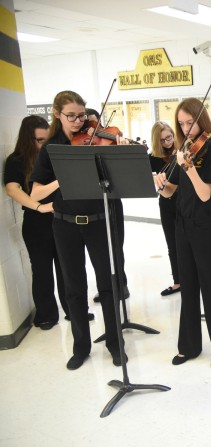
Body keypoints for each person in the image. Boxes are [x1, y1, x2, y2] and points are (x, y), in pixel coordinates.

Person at [30, 91, 129, 370]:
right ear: (57, 114)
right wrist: (62, 179)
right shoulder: (51, 148)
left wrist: (118, 152)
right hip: (65, 225)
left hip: (99, 221)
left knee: (108, 284)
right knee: (74, 288)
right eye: (70, 116)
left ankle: (114, 344)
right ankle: (81, 347)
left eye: (81, 115)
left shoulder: (97, 139)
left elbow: (118, 182)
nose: (77, 121)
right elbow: (36, 193)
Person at [154, 98, 211, 368]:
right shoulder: (185, 149)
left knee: (210, 285)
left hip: (203, 226)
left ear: (202, 120)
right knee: (187, 285)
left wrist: (189, 168)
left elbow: (205, 195)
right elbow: (171, 191)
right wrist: (159, 183)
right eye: (181, 124)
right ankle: (189, 346)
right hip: (181, 224)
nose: (186, 129)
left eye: (190, 122)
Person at [3, 115, 71, 331]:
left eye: (46, 139)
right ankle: (47, 315)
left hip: (61, 218)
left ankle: (73, 310)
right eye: (39, 140)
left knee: (67, 268)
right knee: (42, 270)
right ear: (27, 139)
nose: (44, 144)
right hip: (35, 222)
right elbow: (12, 189)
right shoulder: (16, 160)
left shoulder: (52, 156)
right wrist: (40, 206)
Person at [87, 108, 129, 303]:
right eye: (88, 126)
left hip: (112, 199)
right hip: (91, 203)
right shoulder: (80, 144)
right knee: (100, 251)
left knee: (116, 243)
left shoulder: (109, 139)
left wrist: (122, 149)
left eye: (95, 124)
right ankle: (106, 287)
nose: (92, 130)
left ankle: (122, 285)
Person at [148, 121, 180, 296]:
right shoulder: (153, 158)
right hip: (166, 203)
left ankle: (192, 277)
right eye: (163, 140)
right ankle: (178, 281)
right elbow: (147, 178)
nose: (168, 143)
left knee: (187, 242)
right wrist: (154, 178)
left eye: (169, 137)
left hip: (184, 201)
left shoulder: (181, 151)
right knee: (172, 243)